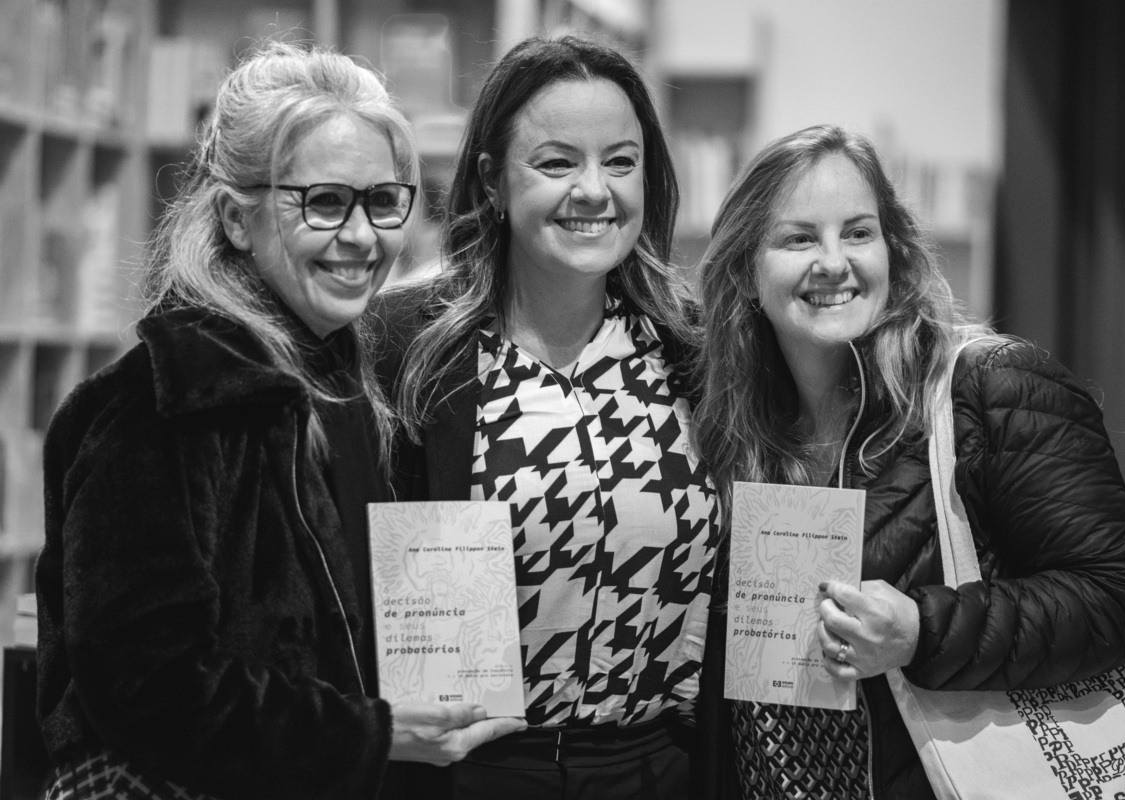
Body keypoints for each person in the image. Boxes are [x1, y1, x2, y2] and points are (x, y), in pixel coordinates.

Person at [35, 41, 521, 800]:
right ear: (236, 217)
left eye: (385, 200)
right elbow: (148, 686)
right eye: (324, 202)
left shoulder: (342, 382)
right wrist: (375, 734)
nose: (362, 237)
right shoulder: (162, 404)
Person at [690, 124, 1125, 800]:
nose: (834, 262)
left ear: (894, 249)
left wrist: (922, 629)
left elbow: (1122, 596)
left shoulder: (989, 388)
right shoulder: (742, 435)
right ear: (745, 272)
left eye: (858, 232)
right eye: (799, 239)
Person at [370, 33, 720, 799]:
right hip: (470, 773)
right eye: (558, 162)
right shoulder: (404, 348)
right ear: (493, 181)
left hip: (659, 769)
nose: (594, 190)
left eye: (620, 162)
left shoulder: (697, 352)